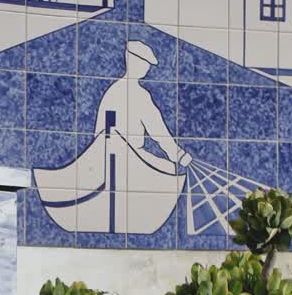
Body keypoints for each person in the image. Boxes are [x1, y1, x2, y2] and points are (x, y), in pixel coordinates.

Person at [34, 40, 193, 234]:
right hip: (126, 157)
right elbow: (158, 131)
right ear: (133, 61)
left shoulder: (113, 91)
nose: (147, 69)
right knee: (168, 169)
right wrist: (178, 155)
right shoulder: (138, 95)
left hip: (113, 158)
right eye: (145, 64)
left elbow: (101, 136)